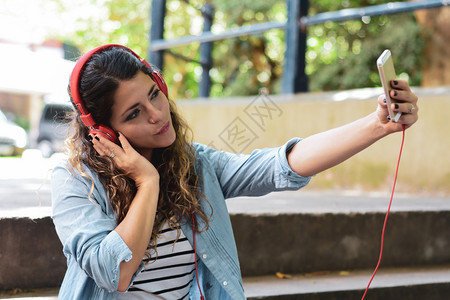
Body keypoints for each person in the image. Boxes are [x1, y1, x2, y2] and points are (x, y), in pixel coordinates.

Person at [51, 44, 418, 300]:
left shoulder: (193, 165)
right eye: (133, 113)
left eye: (154, 94)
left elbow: (281, 163)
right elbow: (113, 273)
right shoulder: (75, 181)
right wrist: (148, 183)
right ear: (104, 132)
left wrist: (377, 125)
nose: (157, 114)